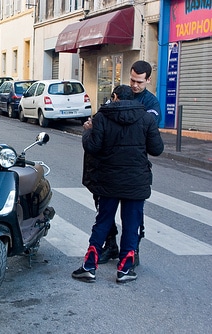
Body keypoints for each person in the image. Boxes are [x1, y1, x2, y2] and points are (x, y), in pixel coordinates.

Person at [73, 85, 163, 283]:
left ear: (114, 97)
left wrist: (88, 131)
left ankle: (89, 266)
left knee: (103, 221)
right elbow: (157, 149)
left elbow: (92, 147)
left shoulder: (102, 118)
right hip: (136, 181)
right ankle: (124, 270)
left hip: (108, 181)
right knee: (132, 225)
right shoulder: (147, 118)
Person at [98, 60, 162, 265]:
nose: (135, 86)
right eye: (133, 80)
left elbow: (152, 139)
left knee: (134, 215)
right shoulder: (121, 94)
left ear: (148, 80)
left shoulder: (151, 104)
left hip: (134, 164)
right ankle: (111, 245)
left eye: (140, 82)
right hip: (110, 164)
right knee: (104, 210)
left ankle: (132, 251)